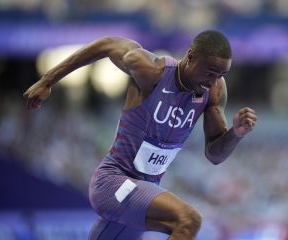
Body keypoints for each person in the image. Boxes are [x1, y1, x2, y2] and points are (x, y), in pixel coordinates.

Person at [23, 30, 257, 240]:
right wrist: (47, 80)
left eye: (221, 74)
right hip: (113, 182)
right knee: (189, 220)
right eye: (210, 72)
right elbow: (106, 44)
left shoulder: (214, 90)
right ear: (191, 56)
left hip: (144, 192)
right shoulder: (152, 71)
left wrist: (236, 133)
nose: (213, 81)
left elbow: (214, 154)